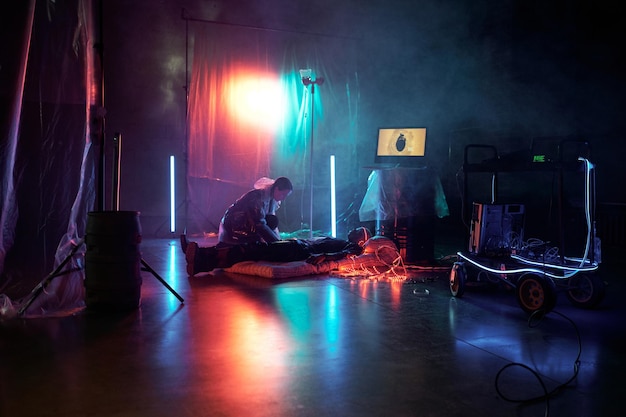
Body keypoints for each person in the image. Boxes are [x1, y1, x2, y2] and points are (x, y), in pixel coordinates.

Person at [182, 227, 372, 276]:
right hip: (298, 245)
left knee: (254, 249)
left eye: (357, 230)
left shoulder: (355, 246)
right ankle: (202, 259)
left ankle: (203, 256)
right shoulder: (340, 240)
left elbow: (349, 254)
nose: (353, 230)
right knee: (252, 251)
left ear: (360, 238)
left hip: (298, 250)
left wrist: (326, 256)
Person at [218, 176, 293, 246]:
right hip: (234, 224)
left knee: (272, 220)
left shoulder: (271, 200)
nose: (283, 198)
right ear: (276, 189)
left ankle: (254, 240)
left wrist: (278, 241)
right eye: (283, 194)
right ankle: (244, 240)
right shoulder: (257, 198)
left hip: (246, 223)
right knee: (262, 232)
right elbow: (259, 224)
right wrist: (277, 244)